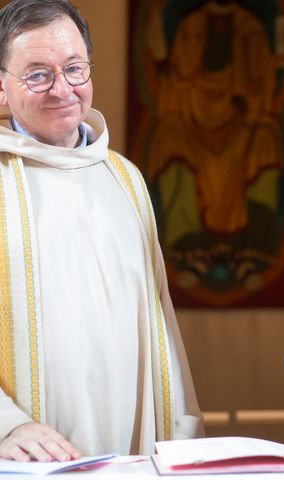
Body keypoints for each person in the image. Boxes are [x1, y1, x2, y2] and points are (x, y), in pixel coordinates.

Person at [0, 0, 203, 462]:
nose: (62, 89)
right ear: (2, 90)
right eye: (37, 74)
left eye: (74, 68)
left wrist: (182, 433)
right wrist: (6, 426)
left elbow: (159, 318)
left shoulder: (125, 178)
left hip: (130, 449)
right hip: (27, 455)